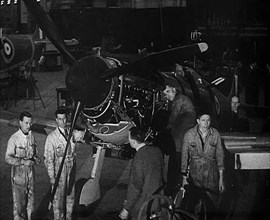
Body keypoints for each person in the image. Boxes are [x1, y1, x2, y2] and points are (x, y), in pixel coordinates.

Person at [181, 112, 225, 219]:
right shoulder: (189, 134)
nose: (206, 123)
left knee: (212, 205)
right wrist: (184, 177)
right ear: (198, 121)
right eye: (203, 120)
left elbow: (220, 157)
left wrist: (221, 179)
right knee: (193, 205)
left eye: (208, 120)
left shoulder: (215, 134)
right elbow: (184, 156)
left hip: (211, 175)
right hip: (195, 175)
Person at [44, 107, 85, 220]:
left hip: (71, 170)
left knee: (70, 198)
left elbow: (82, 132)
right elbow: (48, 159)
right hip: (59, 172)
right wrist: (51, 176)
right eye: (60, 119)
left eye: (64, 119)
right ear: (56, 120)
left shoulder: (71, 133)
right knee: (58, 202)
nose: (63, 121)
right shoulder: (52, 138)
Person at [119, 127, 165, 220]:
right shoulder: (156, 150)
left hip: (143, 204)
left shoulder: (139, 158)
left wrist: (127, 208)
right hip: (158, 199)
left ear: (133, 141)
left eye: (129, 137)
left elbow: (135, 187)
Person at [163, 83, 196, 196]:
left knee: (175, 164)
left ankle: (172, 189)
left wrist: (166, 127)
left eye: (168, 92)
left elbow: (173, 116)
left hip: (180, 140)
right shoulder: (182, 99)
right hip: (183, 138)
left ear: (174, 90)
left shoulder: (179, 100)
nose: (166, 95)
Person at [5, 111, 40, 220]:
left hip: (30, 175)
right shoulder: (14, 138)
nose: (28, 126)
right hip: (19, 177)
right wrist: (23, 162)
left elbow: (35, 152)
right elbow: (7, 158)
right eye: (26, 123)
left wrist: (36, 158)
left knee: (30, 204)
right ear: (20, 123)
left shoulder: (31, 137)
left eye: (30, 123)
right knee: (19, 206)